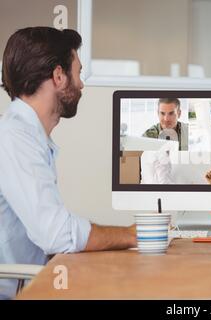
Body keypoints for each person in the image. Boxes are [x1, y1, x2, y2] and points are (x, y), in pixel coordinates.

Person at [0, 27, 136, 299]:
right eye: (78, 72)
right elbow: (56, 233)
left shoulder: (26, 136)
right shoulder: (14, 138)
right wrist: (134, 236)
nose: (82, 84)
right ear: (59, 76)